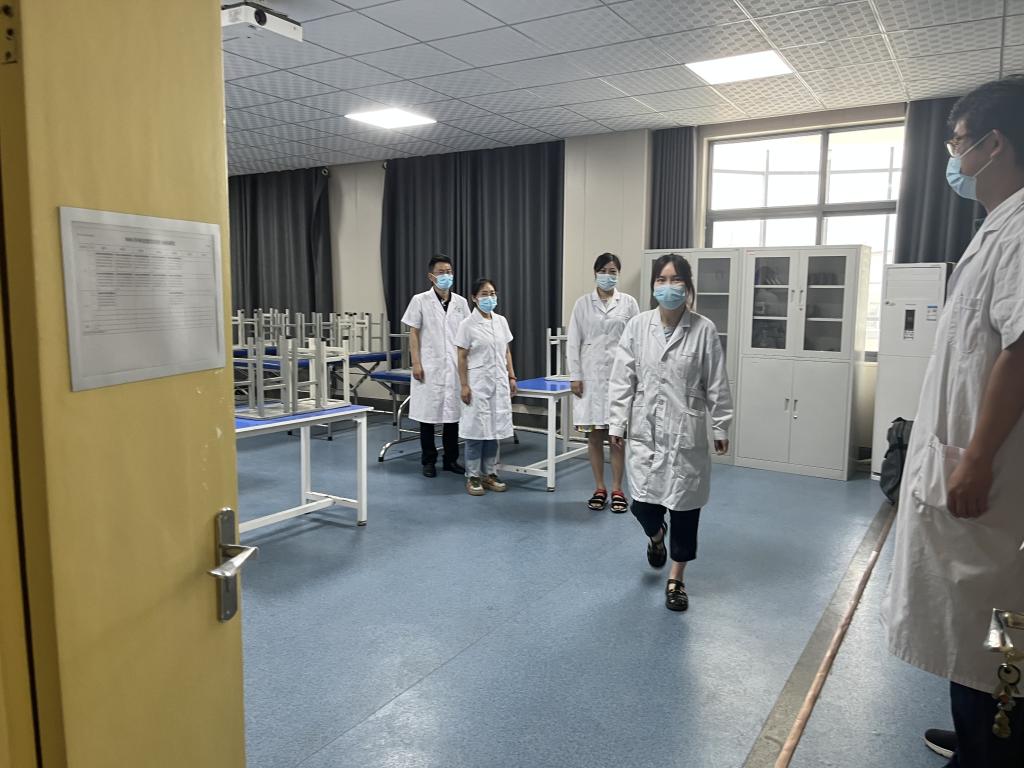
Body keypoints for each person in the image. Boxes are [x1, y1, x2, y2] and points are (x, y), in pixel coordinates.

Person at [882, 75, 1024, 768]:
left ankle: (992, 748)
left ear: (995, 144)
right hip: (972, 478)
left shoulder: (1022, 230)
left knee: (999, 629)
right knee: (971, 627)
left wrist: (976, 458)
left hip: (990, 485)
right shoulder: (996, 229)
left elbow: (1022, 351)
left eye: (958, 142)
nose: (953, 157)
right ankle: (975, 737)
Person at [608, 254, 732, 612]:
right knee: (642, 503)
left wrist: (721, 423)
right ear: (653, 286)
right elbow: (622, 379)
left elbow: (716, 381)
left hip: (684, 429)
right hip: (645, 428)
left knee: (684, 508)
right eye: (661, 280)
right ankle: (655, 534)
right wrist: (616, 422)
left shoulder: (703, 329)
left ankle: (676, 578)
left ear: (688, 286)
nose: (668, 287)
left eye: (676, 280)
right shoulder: (638, 326)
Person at [567, 252, 641, 513]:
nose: (608, 276)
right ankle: (599, 487)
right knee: (595, 436)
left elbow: (637, 341)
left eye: (613, 271)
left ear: (618, 274)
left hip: (620, 379)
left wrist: (637, 377)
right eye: (604, 271)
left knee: (617, 436)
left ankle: (618, 489)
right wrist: (575, 376)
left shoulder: (629, 303)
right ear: (595, 273)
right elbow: (573, 341)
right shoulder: (582, 304)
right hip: (591, 379)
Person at [401, 254, 470, 478]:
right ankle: (428, 461)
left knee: (452, 415)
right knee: (428, 417)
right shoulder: (420, 300)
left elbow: (467, 333)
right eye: (441, 272)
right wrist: (416, 362)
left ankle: (450, 460)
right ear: (431, 276)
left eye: (449, 272)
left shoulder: (460, 303)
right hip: (429, 366)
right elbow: (413, 333)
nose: (446, 276)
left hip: (454, 366)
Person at [456, 277, 517, 497]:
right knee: (476, 432)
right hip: (477, 384)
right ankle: (473, 475)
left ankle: (490, 473)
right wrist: (464, 385)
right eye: (484, 294)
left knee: (494, 431)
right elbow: (461, 356)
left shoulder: (501, 321)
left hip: (498, 383)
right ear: (474, 298)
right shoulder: (467, 325)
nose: (489, 298)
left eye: (492, 293)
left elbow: (506, 351)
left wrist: (511, 376)